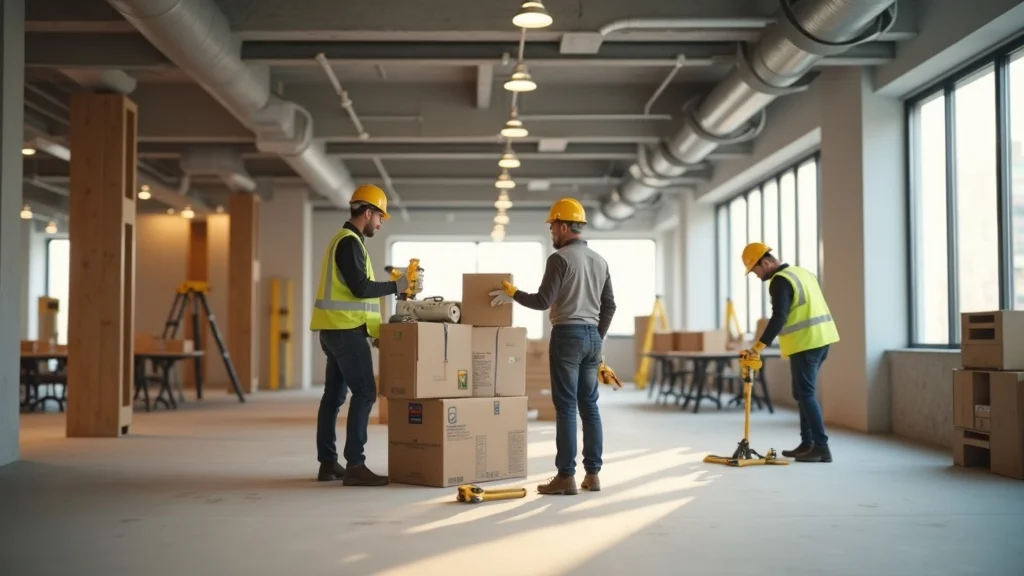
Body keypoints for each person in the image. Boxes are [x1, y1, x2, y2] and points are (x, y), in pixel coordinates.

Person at [489, 198, 619, 495]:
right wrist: (596, 338)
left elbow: (542, 301)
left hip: (567, 336)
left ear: (563, 226)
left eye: (552, 227)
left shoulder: (559, 260)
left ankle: (565, 476)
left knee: (566, 407)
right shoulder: (600, 261)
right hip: (592, 339)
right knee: (590, 406)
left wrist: (514, 293)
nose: (551, 233)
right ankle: (593, 474)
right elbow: (609, 305)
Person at [310, 184, 423, 485]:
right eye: (380, 217)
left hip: (337, 329)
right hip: (345, 332)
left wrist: (374, 329)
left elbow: (356, 292)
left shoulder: (347, 241)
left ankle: (328, 463)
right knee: (365, 393)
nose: (381, 223)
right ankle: (355, 465)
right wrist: (398, 287)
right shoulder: (349, 242)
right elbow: (361, 289)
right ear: (368, 212)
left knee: (333, 396)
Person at [739, 242, 839, 463]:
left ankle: (821, 447)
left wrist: (758, 347)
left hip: (806, 343)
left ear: (765, 263)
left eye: (755, 270)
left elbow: (779, 317)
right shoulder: (802, 273)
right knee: (802, 394)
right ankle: (808, 444)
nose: (756, 276)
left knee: (805, 394)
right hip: (822, 340)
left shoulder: (780, 281)